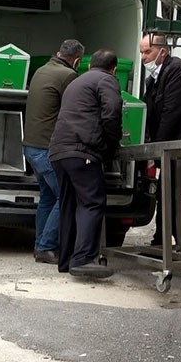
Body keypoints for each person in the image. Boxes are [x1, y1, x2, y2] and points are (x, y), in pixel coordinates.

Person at [49, 49, 123, 279]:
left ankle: (66, 260)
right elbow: (112, 111)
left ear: (89, 65)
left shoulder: (77, 82)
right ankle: (82, 259)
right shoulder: (107, 79)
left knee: (69, 204)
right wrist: (110, 144)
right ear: (114, 68)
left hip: (59, 151)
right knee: (92, 202)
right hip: (83, 151)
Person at [139, 33, 181, 247]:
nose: (143, 57)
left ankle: (174, 242)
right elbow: (148, 109)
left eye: (147, 52)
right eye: (142, 52)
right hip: (178, 147)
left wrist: (157, 148)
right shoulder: (156, 78)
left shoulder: (178, 70)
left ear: (163, 51)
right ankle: (171, 241)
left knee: (172, 191)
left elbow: (172, 112)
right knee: (170, 191)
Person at [23, 39, 84, 265]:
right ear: (76, 60)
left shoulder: (41, 70)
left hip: (31, 146)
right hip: (46, 149)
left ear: (58, 53)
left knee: (48, 196)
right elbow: (76, 111)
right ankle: (45, 246)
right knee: (67, 195)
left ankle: (41, 245)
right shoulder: (68, 76)